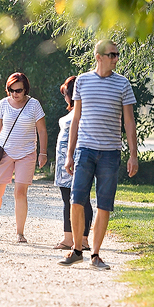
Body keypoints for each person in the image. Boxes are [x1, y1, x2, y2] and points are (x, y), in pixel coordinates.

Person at [59, 39, 138, 270]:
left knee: (105, 205)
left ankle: (95, 255)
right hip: (85, 150)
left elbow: (129, 121)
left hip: (110, 153)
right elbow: (76, 118)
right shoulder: (82, 81)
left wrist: (133, 154)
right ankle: (76, 250)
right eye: (111, 54)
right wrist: (69, 153)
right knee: (76, 200)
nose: (115, 58)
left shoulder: (123, 84)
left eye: (117, 54)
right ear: (99, 56)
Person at [0, 73, 47, 243]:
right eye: (11, 90)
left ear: (25, 89)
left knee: (20, 193)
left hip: (26, 153)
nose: (14, 94)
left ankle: (20, 233)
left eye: (18, 90)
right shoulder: (3, 104)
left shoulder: (34, 105)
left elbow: (41, 130)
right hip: (5, 152)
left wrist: (43, 153)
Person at [54, 75, 92, 250]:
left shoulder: (84, 112)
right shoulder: (73, 112)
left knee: (82, 199)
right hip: (64, 161)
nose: (65, 98)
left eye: (65, 94)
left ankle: (83, 239)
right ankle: (69, 237)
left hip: (77, 159)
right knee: (66, 199)